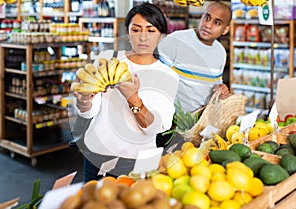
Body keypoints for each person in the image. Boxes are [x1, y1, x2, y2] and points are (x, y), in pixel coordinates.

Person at [71, 2, 179, 182]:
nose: (143, 37)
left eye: (151, 31)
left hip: (141, 160)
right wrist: (83, 101)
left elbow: (158, 127)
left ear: (161, 36)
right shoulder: (108, 60)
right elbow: (90, 111)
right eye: (136, 30)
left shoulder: (168, 76)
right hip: (99, 155)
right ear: (128, 32)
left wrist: (133, 98)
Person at [158, 1, 231, 113]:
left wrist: (222, 90)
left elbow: (216, 85)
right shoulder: (175, 40)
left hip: (203, 122)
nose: (208, 25)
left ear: (225, 30)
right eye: (207, 17)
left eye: (217, 23)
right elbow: (157, 80)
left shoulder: (220, 52)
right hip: (173, 122)